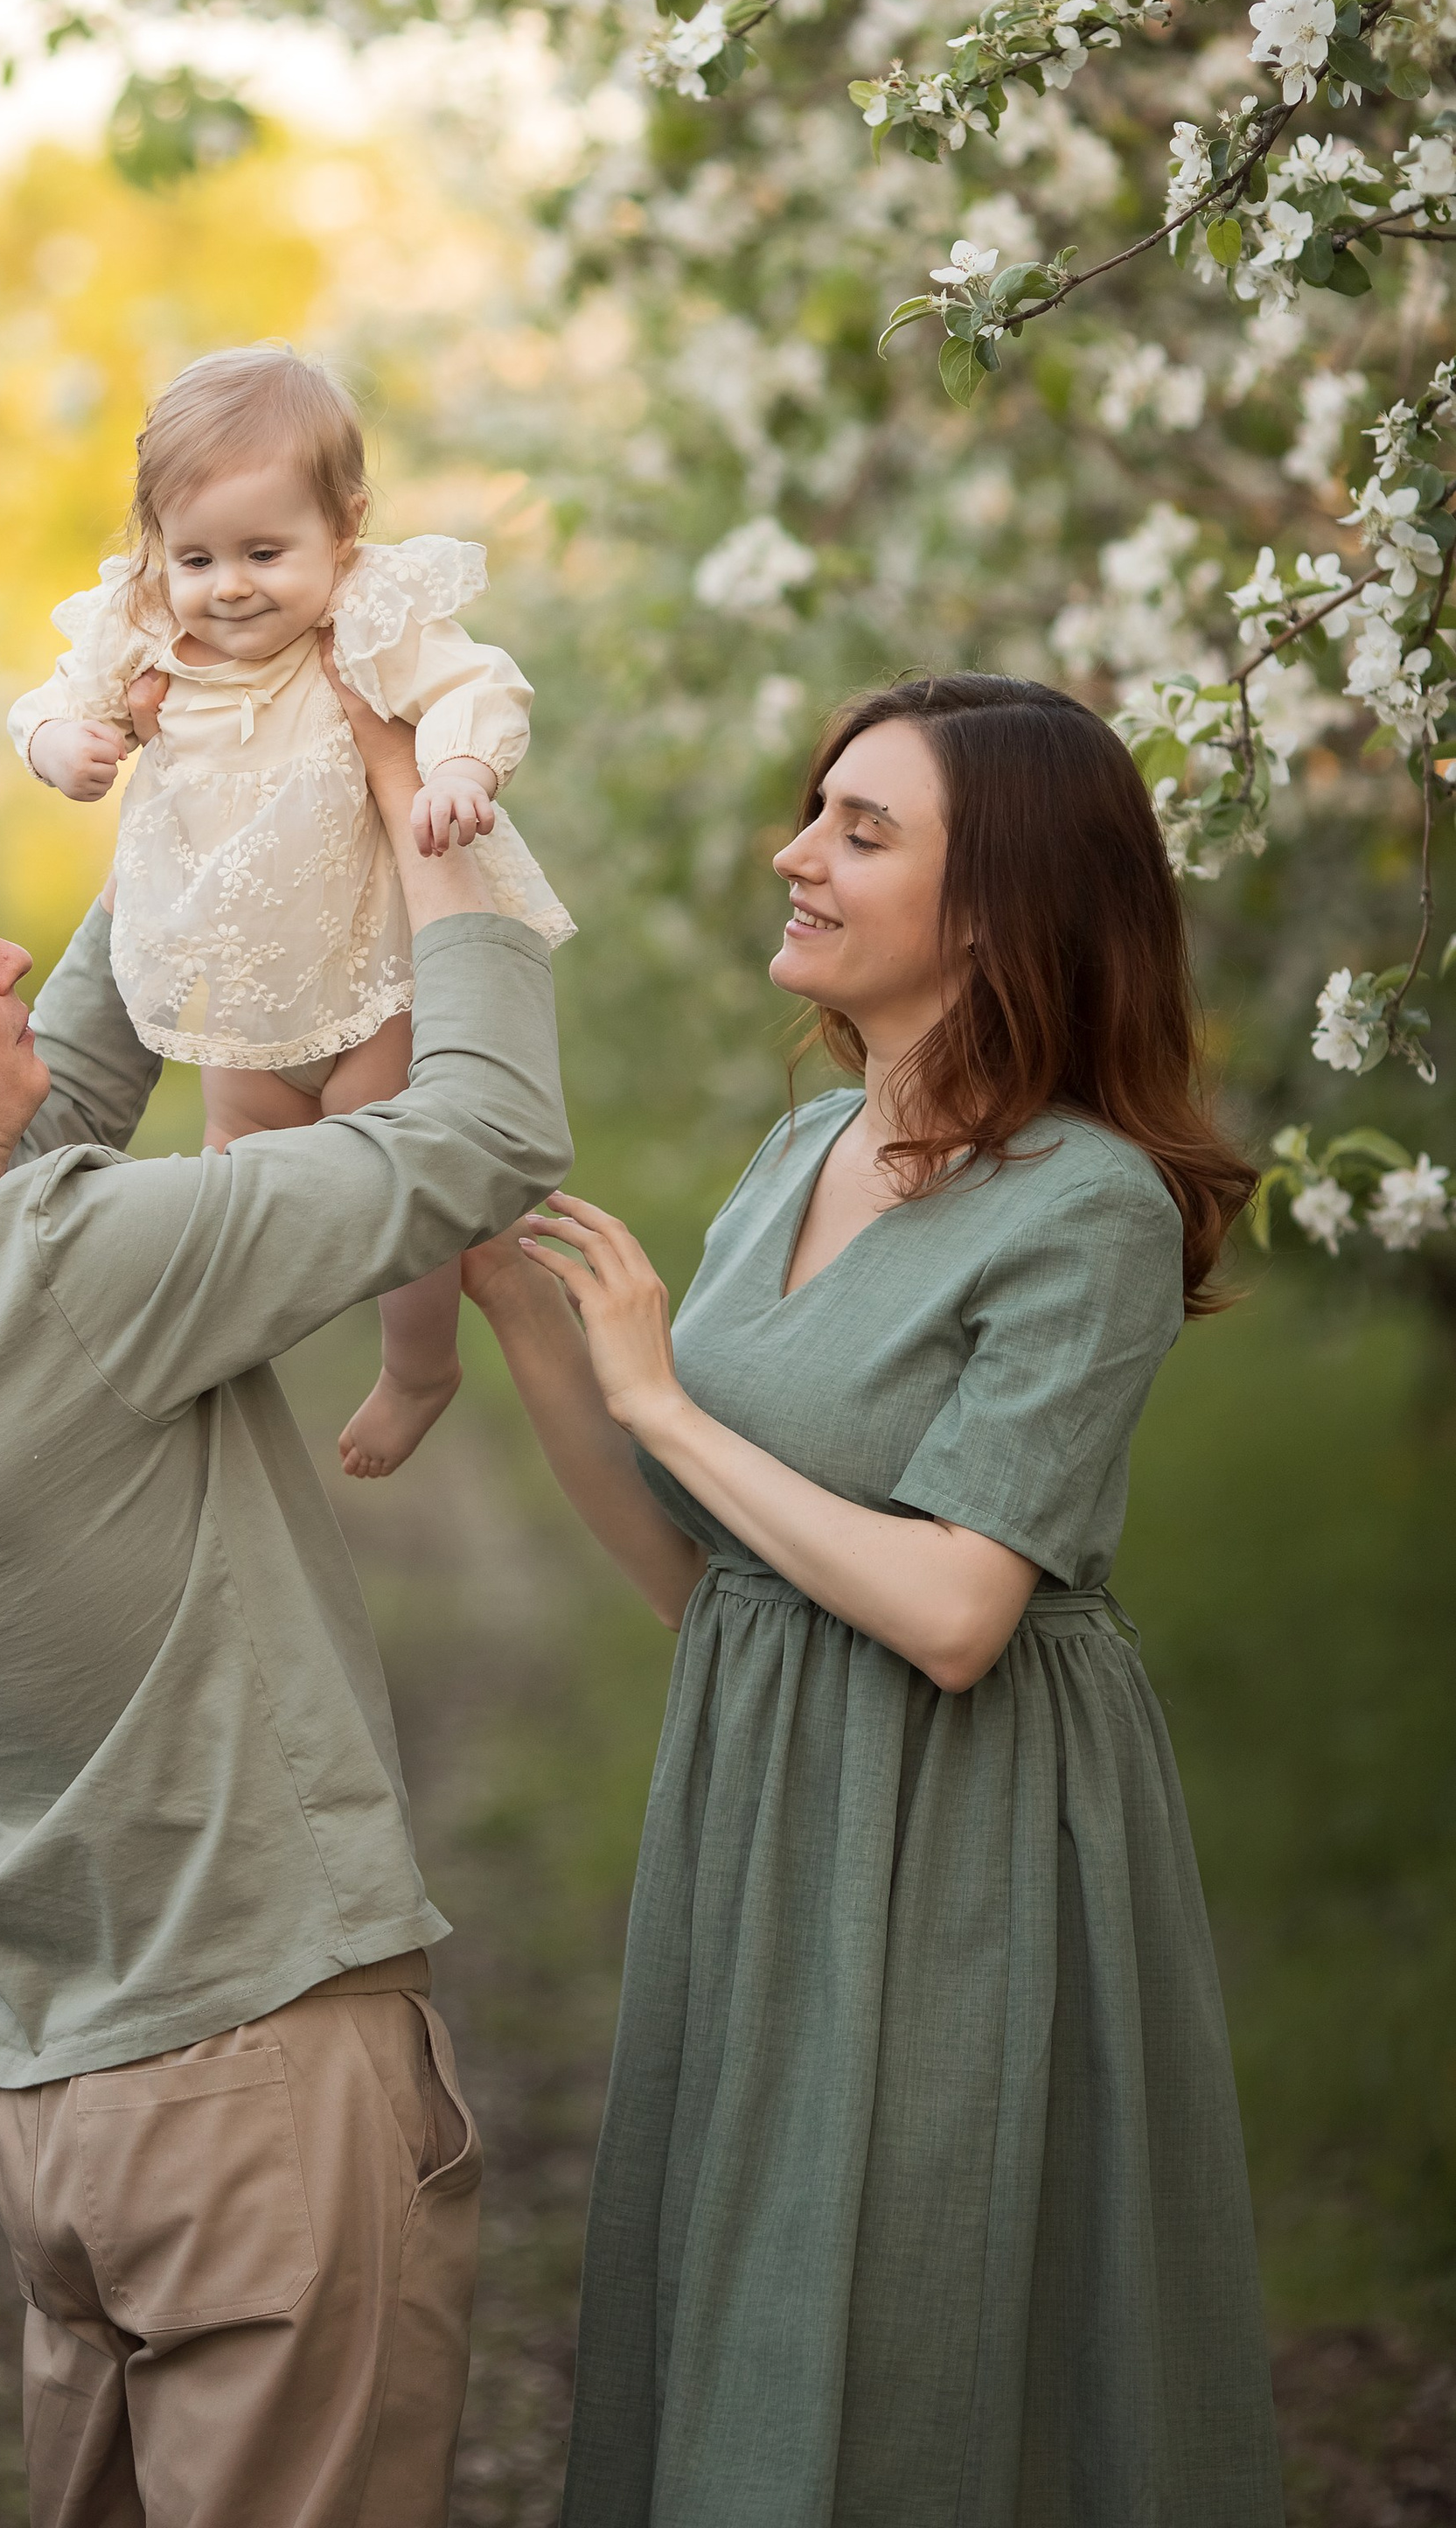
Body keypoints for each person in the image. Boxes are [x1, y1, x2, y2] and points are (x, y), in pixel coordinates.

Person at [0, 657, 569, 2528]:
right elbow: (478, 1143)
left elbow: (20, 1134)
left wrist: (206, 806)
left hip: (58, 2099)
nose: (0, 952)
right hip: (258, 2093)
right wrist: (429, 823)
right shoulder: (71, 1273)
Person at [463, 672, 1285, 2527]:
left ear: (994, 909)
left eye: (860, 829)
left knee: (923, 2316)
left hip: (959, 1828)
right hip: (765, 1797)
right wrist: (519, 1312)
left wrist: (662, 1397)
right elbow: (705, 1581)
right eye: (812, 813)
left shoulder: (1087, 1207)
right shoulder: (799, 1154)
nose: (794, 855)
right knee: (748, 2282)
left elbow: (955, 1611)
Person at [9, 344, 572, 1480]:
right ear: (157, 546)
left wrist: (461, 767)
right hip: (241, 978)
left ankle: (418, 1367)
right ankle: (214, 1370)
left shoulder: (370, 616)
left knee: (400, 1177)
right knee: (237, 1164)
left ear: (344, 527)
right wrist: (60, 743)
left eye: (265, 553)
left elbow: (476, 685)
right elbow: (53, 698)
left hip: (370, 973)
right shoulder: (146, 627)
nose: (229, 587)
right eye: (197, 557)